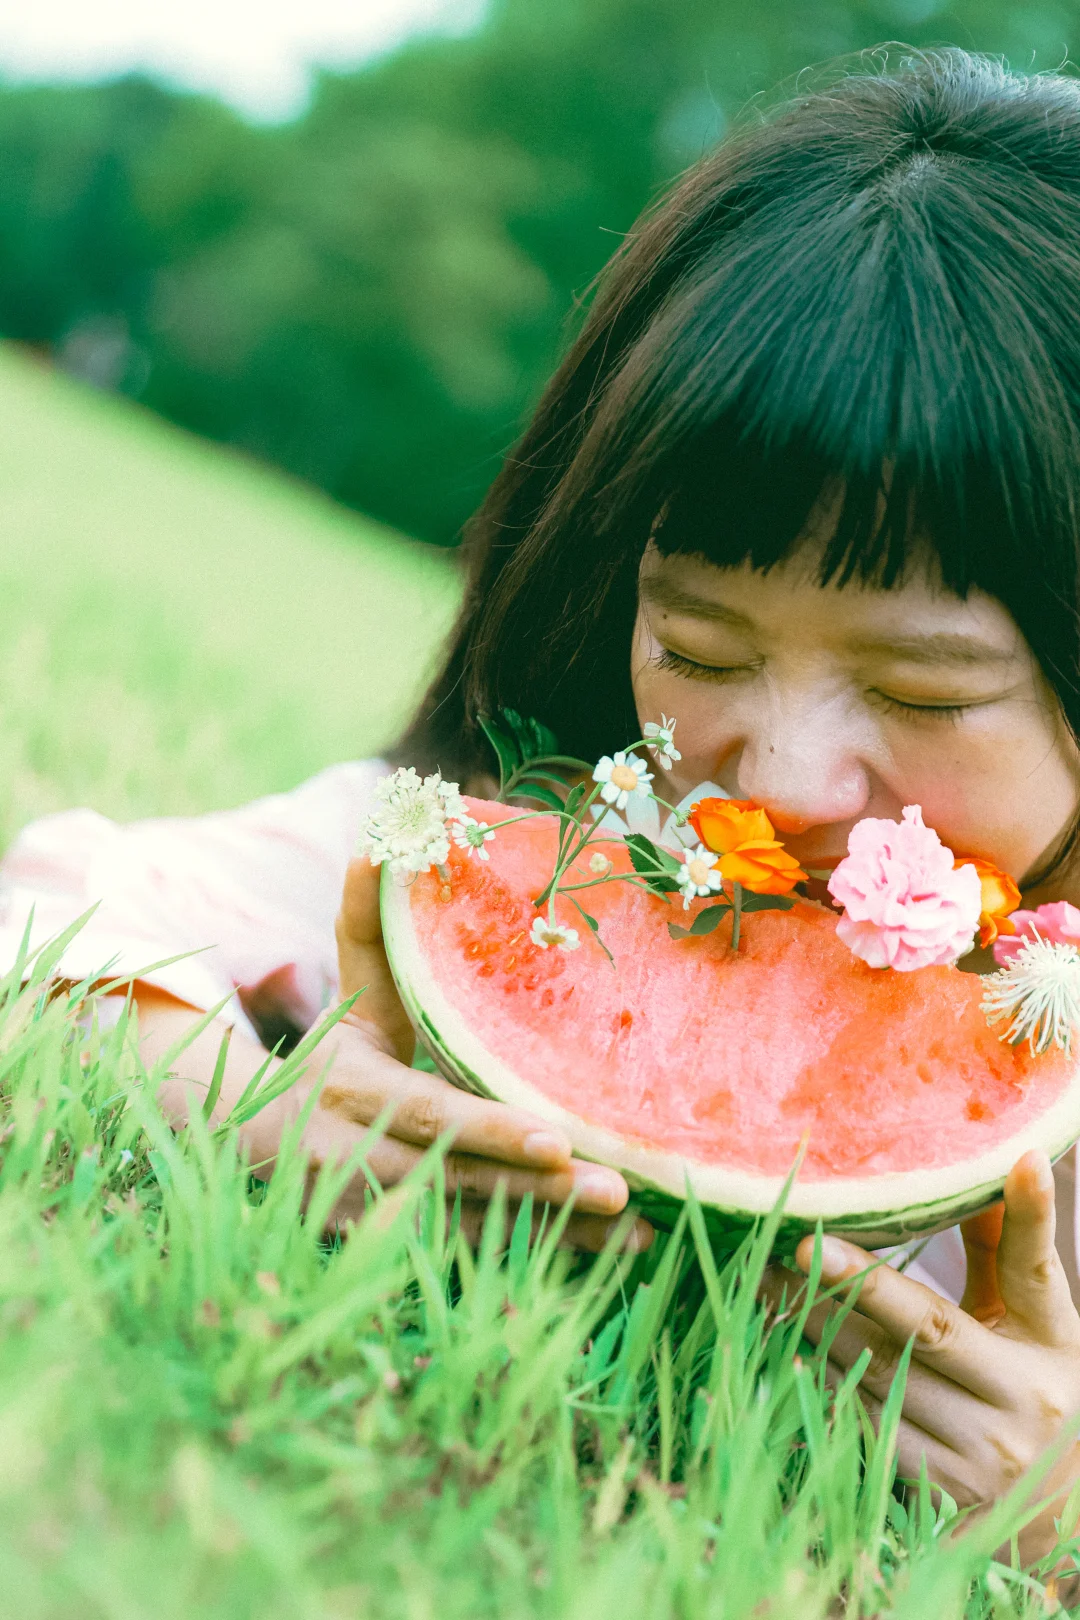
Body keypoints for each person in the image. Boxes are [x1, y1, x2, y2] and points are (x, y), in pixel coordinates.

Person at [7, 47, 1080, 1558]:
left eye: (920, 693)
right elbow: (44, 915)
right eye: (701, 646)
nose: (775, 773)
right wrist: (240, 1102)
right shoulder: (557, 847)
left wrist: (1056, 1514)